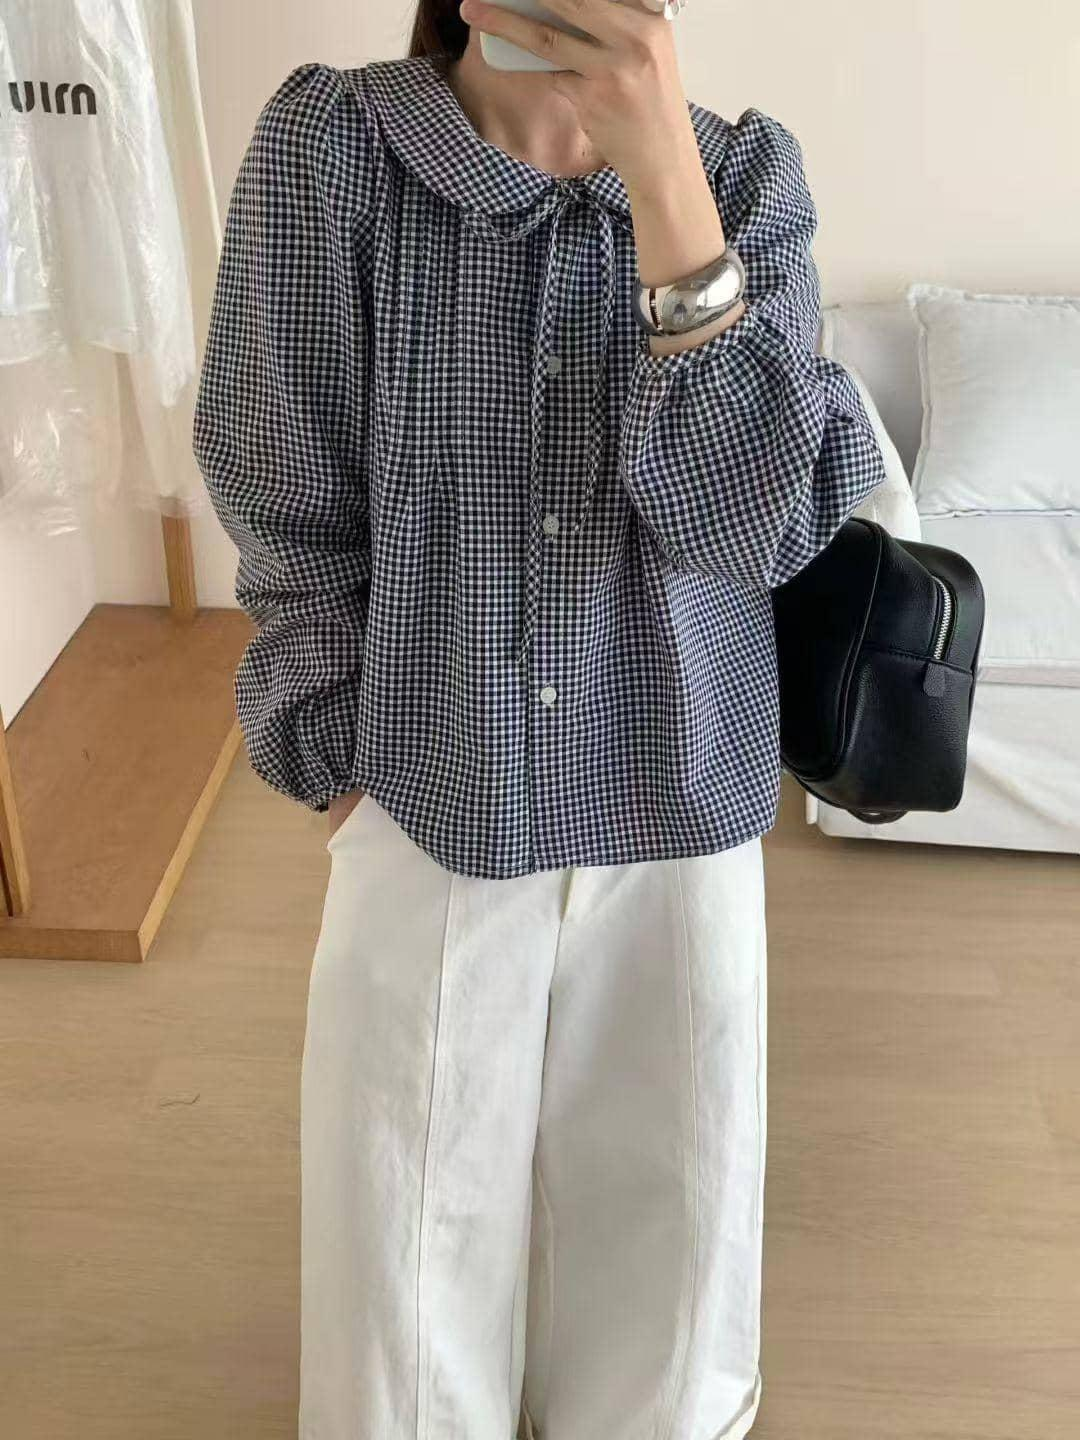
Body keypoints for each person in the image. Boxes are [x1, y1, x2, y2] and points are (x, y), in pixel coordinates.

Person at [192, 2, 886, 1436]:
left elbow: (757, 528)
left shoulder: (740, 179)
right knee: (404, 1292)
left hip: (683, 802)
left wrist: (665, 186)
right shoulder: (338, 150)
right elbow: (283, 486)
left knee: (671, 1282)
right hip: (429, 799)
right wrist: (339, 755)